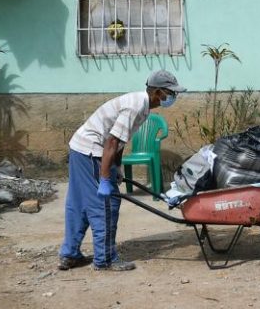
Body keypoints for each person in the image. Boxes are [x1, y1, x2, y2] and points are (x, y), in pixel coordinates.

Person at [58, 70, 186, 271]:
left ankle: (70, 253)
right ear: (158, 92)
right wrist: (104, 177)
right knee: (107, 204)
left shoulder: (141, 105)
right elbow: (112, 142)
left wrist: (116, 166)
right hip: (92, 151)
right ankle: (105, 259)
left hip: (80, 148)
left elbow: (119, 141)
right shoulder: (136, 106)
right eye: (170, 93)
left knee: (80, 203)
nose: (172, 97)